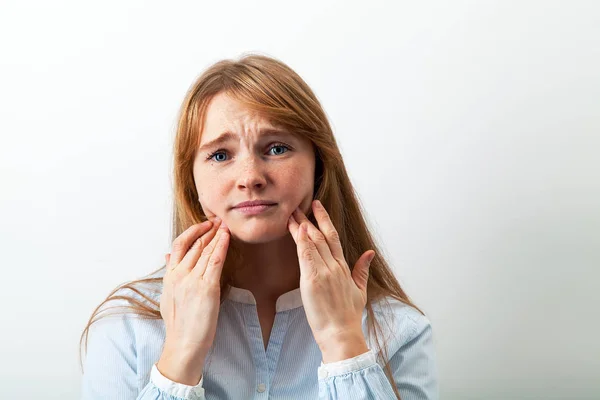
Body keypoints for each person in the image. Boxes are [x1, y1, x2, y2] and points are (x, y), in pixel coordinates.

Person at [79, 53, 439, 400]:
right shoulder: (125, 330)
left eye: (277, 148)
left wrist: (343, 341)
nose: (250, 178)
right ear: (192, 185)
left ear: (318, 168)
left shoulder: (398, 330)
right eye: (220, 155)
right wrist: (180, 357)